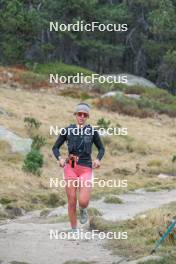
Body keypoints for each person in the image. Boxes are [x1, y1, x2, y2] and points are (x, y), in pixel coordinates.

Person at [52, 102, 105, 232]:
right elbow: (55, 147)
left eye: (84, 115)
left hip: (86, 168)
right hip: (71, 166)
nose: (82, 116)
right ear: (75, 115)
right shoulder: (67, 130)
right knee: (71, 200)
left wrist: (98, 159)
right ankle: (74, 229)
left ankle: (83, 209)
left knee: (82, 201)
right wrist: (60, 158)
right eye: (79, 114)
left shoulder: (92, 131)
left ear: (87, 117)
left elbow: (101, 148)